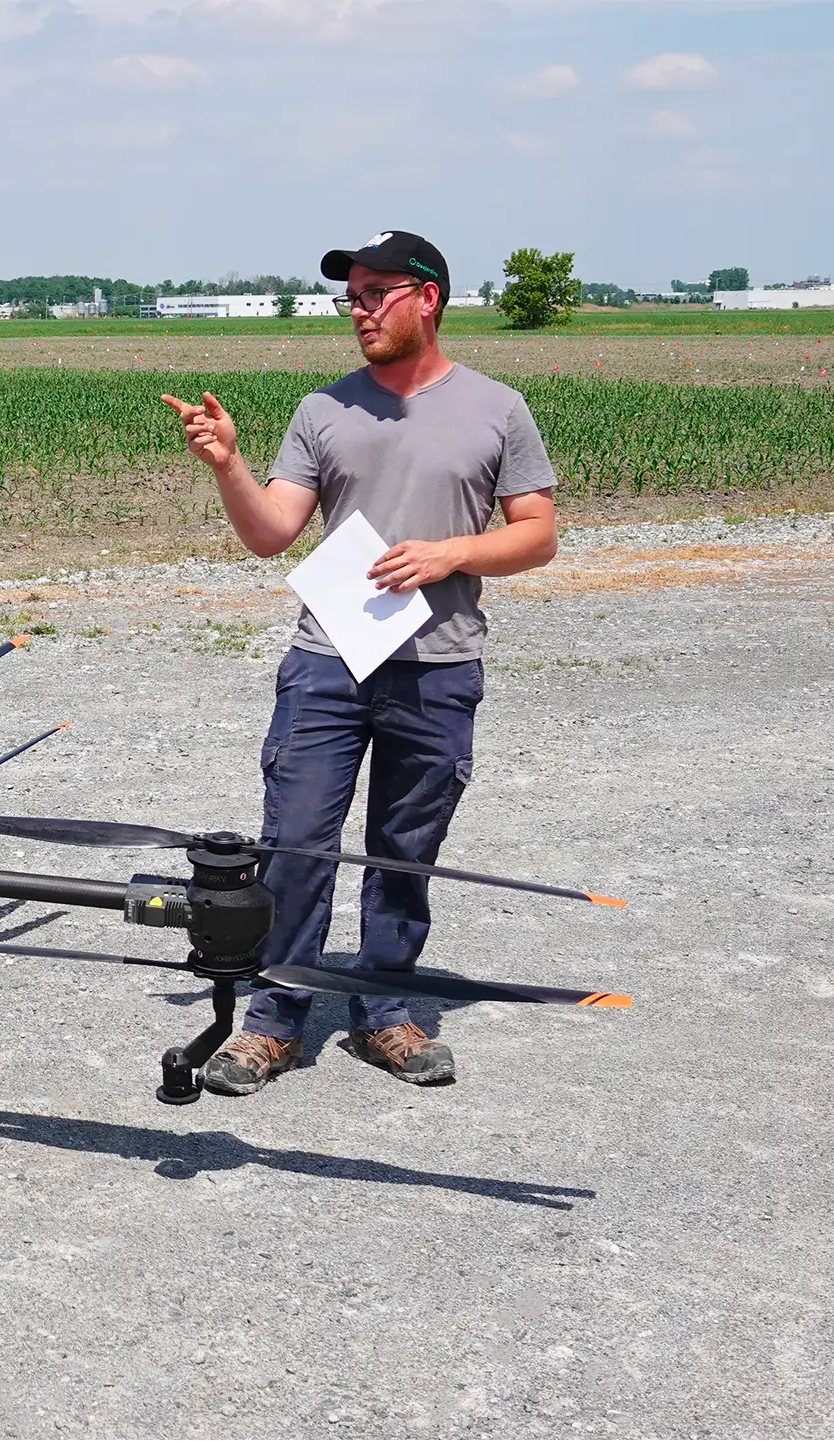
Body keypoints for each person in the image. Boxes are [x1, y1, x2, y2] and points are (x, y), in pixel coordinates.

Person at [159, 230, 559, 1095]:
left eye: (377, 290)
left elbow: (537, 535)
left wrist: (451, 554)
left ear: (428, 297)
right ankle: (274, 1019)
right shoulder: (323, 410)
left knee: (404, 849)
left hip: (437, 664)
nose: (359, 306)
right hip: (325, 661)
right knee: (295, 842)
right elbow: (271, 532)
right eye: (352, 293)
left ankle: (384, 1009)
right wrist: (227, 465)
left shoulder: (496, 407)